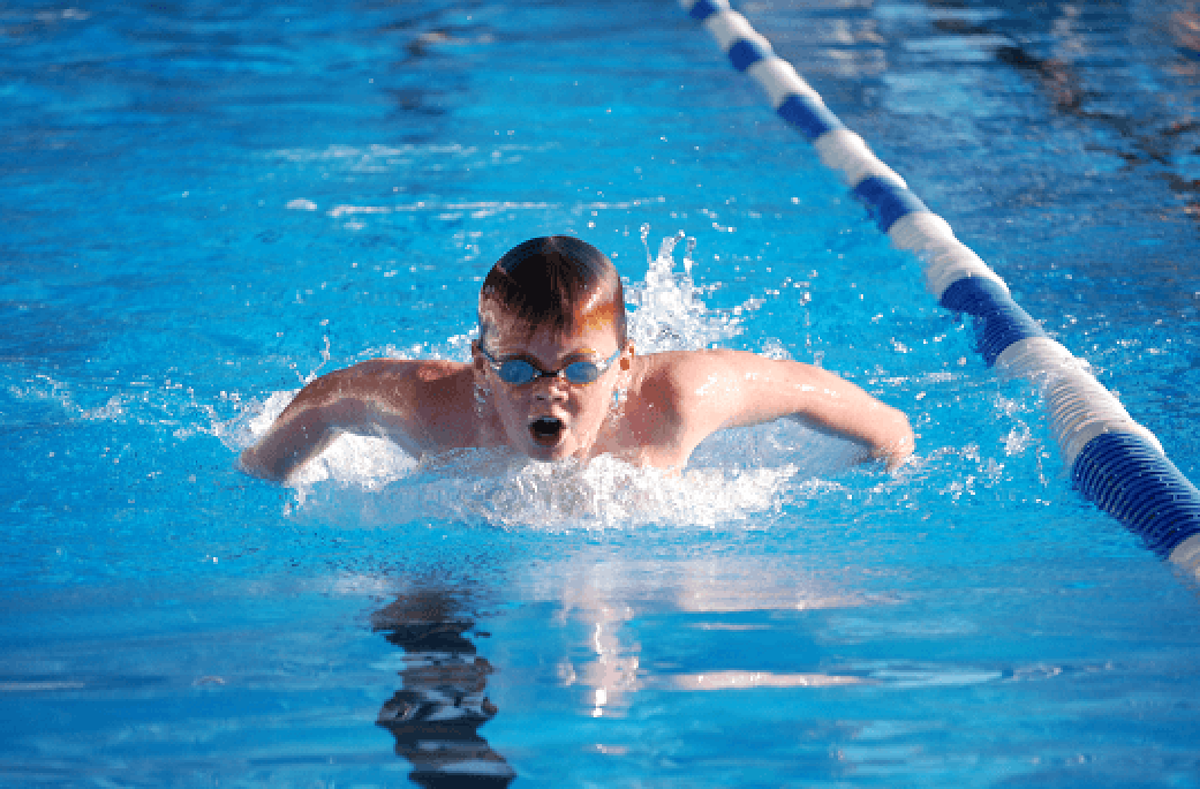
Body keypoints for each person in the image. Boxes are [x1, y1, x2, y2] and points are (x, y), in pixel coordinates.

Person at [239, 235, 914, 481]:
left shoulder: (677, 398)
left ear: (622, 367)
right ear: (480, 367)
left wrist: (892, 446)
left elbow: (809, 391)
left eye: (580, 369)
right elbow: (334, 397)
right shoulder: (436, 411)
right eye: (517, 368)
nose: (548, 392)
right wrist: (263, 469)